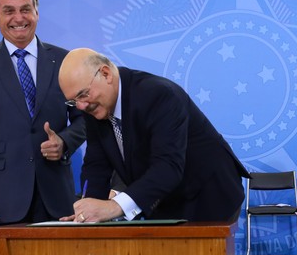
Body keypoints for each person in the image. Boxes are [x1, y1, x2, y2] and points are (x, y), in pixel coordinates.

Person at [58, 48, 250, 224]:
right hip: (165, 199)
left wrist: (113, 207)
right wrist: (86, 212)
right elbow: (96, 166)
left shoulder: (159, 95)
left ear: (106, 74)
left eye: (83, 95)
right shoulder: (94, 106)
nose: (81, 106)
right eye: (74, 102)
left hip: (209, 194)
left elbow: (168, 167)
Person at [0, 0, 85, 234]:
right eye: (9, 11)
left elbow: (85, 118)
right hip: (0, 199)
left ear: (36, 13)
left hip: (57, 197)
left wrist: (64, 141)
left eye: (25, 10)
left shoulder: (64, 60)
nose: (18, 18)